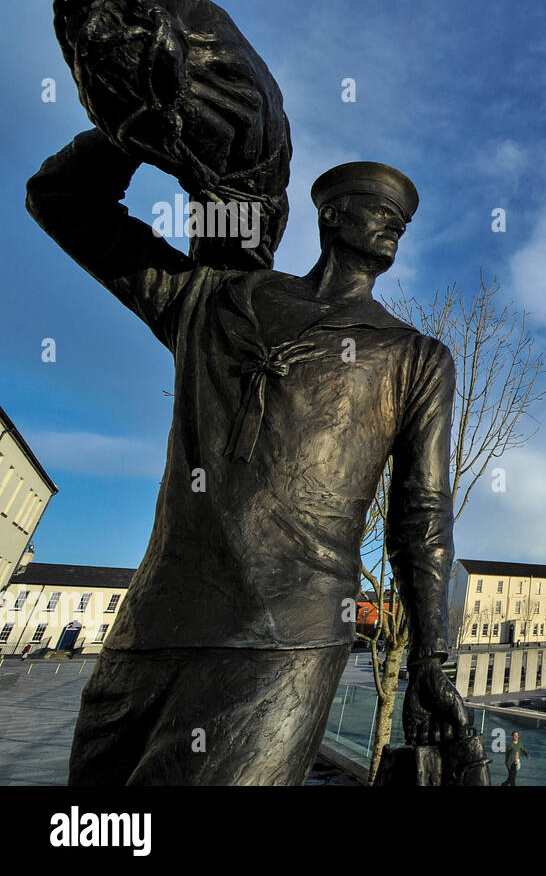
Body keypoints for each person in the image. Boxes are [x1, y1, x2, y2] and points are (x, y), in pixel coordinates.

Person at [28, 133, 470, 784]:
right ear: (331, 215)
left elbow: (421, 516)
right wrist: (132, 124)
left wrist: (432, 655)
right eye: (378, 208)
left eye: (401, 221)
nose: (394, 224)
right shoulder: (214, 300)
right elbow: (63, 201)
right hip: (153, 629)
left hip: (285, 643)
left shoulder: (415, 357)